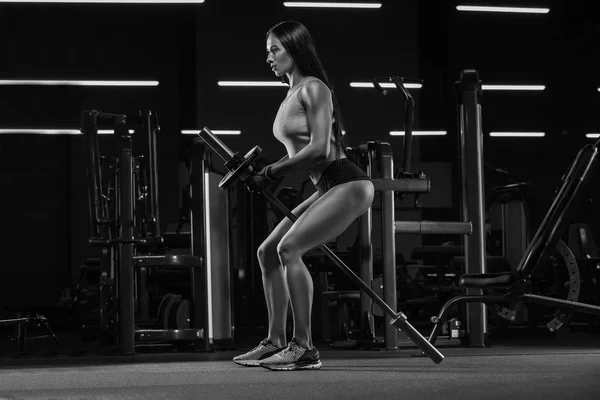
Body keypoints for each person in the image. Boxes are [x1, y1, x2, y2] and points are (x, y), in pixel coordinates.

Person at [233, 20, 374, 371]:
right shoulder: (288, 96)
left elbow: (321, 148)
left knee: (289, 248)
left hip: (348, 182)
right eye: (267, 50)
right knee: (267, 252)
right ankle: (275, 342)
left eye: (275, 49)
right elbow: (298, 152)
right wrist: (267, 171)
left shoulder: (315, 89)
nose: (269, 57)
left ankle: (304, 347)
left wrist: (275, 171)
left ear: (295, 49)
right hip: (326, 185)